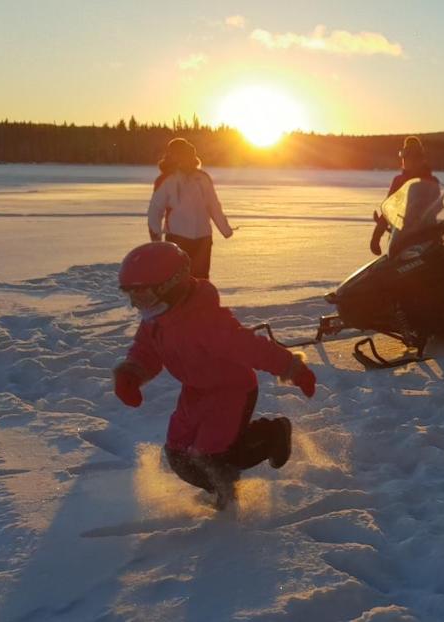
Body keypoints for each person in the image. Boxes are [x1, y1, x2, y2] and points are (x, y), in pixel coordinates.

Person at [111, 242, 317, 510]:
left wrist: (293, 368)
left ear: (170, 286)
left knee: (211, 455)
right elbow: (145, 349)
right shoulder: (155, 318)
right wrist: (132, 372)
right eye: (132, 297)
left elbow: (251, 348)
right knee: (177, 454)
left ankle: (270, 438)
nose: (138, 305)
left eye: (143, 296)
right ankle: (217, 487)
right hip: (195, 391)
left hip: (231, 391)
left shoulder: (206, 322)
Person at [148, 138, 233, 278]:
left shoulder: (203, 178)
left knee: (201, 278)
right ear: (172, 156)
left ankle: (201, 299)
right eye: (181, 155)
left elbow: (213, 205)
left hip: (203, 238)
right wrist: (155, 236)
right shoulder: (166, 180)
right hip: (177, 237)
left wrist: (225, 229)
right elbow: (155, 209)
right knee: (177, 278)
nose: (186, 159)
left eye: (188, 155)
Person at [371, 136, 439, 255]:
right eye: (406, 158)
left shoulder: (431, 181)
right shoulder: (399, 181)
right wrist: (376, 236)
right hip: (403, 237)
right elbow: (389, 210)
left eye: (414, 158)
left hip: (427, 236)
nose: (409, 161)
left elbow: (437, 207)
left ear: (421, 159)